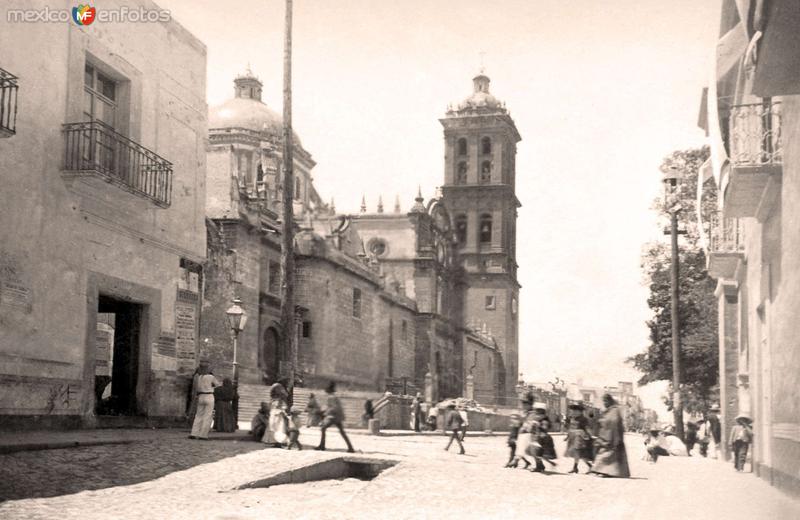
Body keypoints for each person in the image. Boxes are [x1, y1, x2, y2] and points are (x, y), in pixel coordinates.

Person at [590, 393, 630, 478]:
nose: (604, 403)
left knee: (609, 455)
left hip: (613, 436)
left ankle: (607, 472)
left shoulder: (615, 410)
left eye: (605, 401)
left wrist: (615, 436)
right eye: (603, 401)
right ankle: (601, 470)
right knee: (603, 453)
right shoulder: (607, 411)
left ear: (610, 401)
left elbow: (615, 422)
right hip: (605, 435)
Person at [316, 381, 355, 452]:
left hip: (333, 417)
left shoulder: (331, 397)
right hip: (338, 416)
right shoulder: (334, 397)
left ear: (328, 391)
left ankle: (322, 446)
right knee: (342, 432)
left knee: (323, 428)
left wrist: (325, 413)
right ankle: (350, 447)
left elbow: (334, 407)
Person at [189, 363, 219, 440]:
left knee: (198, 415)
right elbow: (217, 385)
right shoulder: (211, 377)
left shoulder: (199, 377)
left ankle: (194, 433)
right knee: (207, 416)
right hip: (209, 395)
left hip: (201, 396)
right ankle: (203, 434)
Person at [564, 403, 593, 474]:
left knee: (578, 452)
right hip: (573, 438)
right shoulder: (571, 418)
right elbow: (569, 428)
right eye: (572, 411)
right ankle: (588, 466)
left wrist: (590, 435)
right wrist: (567, 436)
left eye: (575, 411)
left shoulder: (583, 419)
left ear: (580, 412)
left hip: (580, 438)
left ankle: (576, 468)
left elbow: (587, 428)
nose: (573, 412)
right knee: (578, 454)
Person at [262, 378, 290, 446]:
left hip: (274, 412)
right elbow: (286, 395)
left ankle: (274, 440)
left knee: (273, 426)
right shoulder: (279, 388)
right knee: (278, 427)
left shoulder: (274, 397)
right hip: (277, 412)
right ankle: (278, 441)